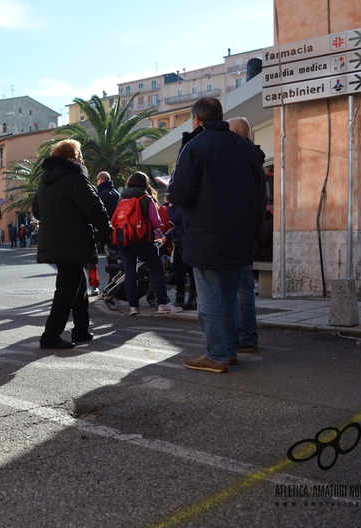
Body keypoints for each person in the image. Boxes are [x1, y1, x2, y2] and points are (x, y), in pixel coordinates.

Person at [168, 98, 265, 373]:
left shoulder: (196, 147)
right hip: (240, 236)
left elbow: (181, 194)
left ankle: (215, 355)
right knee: (229, 297)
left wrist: (172, 191)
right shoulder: (247, 150)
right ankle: (229, 351)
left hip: (206, 235)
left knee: (209, 298)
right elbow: (257, 198)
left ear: (197, 119)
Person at [33, 139, 112, 350]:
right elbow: (95, 209)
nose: (82, 159)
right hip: (72, 241)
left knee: (78, 286)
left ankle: (81, 330)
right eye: (80, 155)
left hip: (53, 241)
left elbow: (36, 211)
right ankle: (50, 336)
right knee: (67, 290)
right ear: (74, 157)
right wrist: (108, 232)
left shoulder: (45, 181)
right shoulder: (75, 178)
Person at [115, 172, 181, 316]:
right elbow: (156, 223)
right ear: (145, 184)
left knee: (130, 271)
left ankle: (133, 306)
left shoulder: (121, 198)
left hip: (124, 240)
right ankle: (163, 303)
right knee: (157, 269)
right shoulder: (146, 199)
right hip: (143, 240)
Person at [228, 116, 267, 354]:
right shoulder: (255, 159)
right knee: (244, 284)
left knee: (240, 286)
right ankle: (248, 336)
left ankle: (244, 337)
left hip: (239, 231)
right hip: (249, 230)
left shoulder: (241, 160)